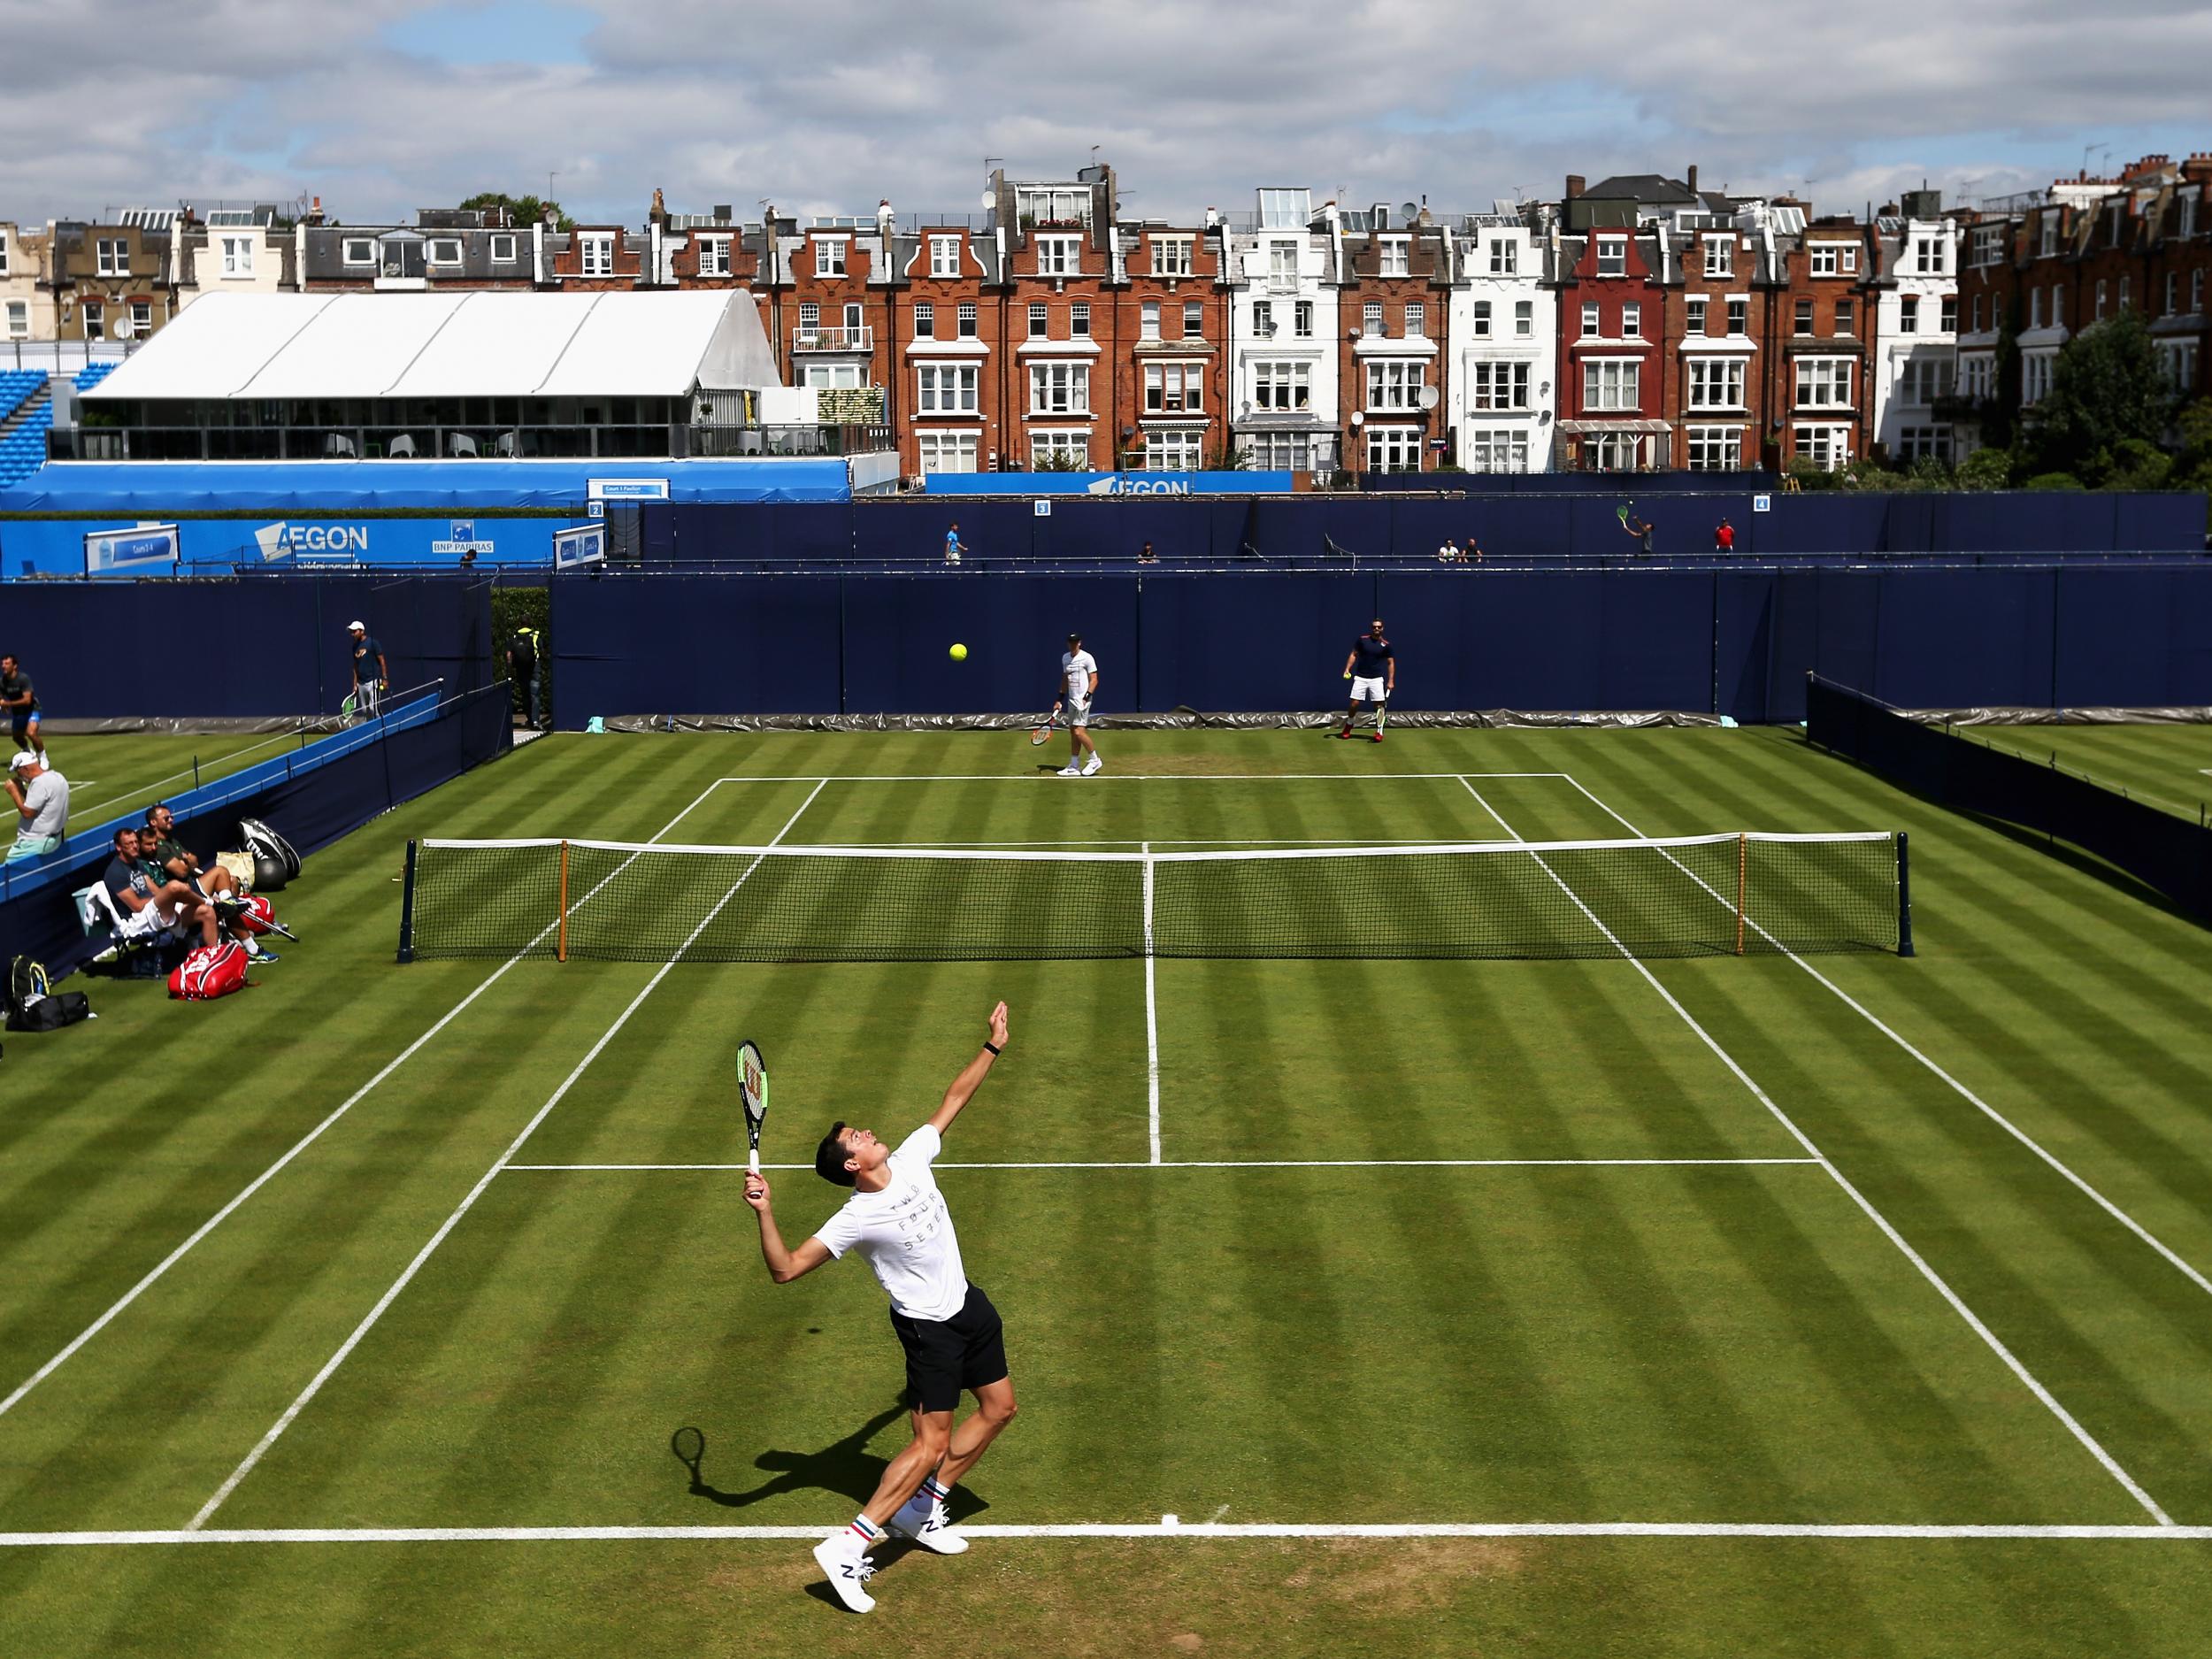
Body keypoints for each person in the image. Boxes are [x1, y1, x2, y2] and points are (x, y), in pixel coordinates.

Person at [743, 1001, 1019, 1615]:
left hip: (969, 1306)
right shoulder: (855, 1217)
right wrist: (765, 1211)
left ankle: (923, 1506)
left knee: (1000, 1407)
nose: (866, 1131)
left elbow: (953, 1098)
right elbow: (785, 1268)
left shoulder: (914, 1156)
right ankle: (847, 1548)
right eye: (856, 1138)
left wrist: (992, 1045)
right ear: (851, 1164)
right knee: (926, 1444)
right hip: (928, 1331)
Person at [103, 826, 220, 949]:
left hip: (157, 909)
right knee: (174, 887)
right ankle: (209, 902)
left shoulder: (136, 863)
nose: (135, 846)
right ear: (119, 847)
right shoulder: (115, 872)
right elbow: (136, 906)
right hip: (140, 919)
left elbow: (155, 890)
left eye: (136, 842)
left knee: (207, 912)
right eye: (129, 843)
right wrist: (167, 897)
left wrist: (166, 898)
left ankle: (213, 955)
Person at [4, 750, 66, 864]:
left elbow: (28, 813)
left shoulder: (39, 783)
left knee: (8, 873)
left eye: (19, 772)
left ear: (25, 769)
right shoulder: (57, 777)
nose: (19, 776)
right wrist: (22, 790)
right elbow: (39, 802)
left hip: (35, 843)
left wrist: (14, 792)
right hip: (54, 839)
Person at [1339, 618, 1394, 741]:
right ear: (1371, 628)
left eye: (1379, 627)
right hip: (1360, 677)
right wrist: (1347, 668)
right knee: (1354, 704)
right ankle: (1349, 723)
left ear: (1382, 629)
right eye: (1374, 627)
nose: (1376, 629)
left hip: (1376, 679)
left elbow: (1390, 663)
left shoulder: (1386, 645)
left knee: (1379, 706)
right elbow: (1353, 654)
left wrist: (1391, 680)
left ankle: (1379, 731)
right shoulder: (1362, 640)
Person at [1055, 632, 1102, 777]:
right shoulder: (1065, 658)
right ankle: (1074, 766)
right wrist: (1059, 699)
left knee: (1078, 732)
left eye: (1075, 642)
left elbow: (1094, 679)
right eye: (1070, 642)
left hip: (1083, 701)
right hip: (1071, 700)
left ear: (1079, 643)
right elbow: (1064, 680)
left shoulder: (1087, 658)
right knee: (1073, 733)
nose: (1072, 644)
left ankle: (1095, 760)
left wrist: (1086, 697)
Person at [0, 654, 44, 763]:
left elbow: (27, 700)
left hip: (32, 710)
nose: (3, 666)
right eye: (2, 664)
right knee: (17, 738)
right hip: (18, 713)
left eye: (7, 663)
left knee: (31, 733)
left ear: (15, 666)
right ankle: (28, 751)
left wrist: (7, 704)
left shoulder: (23, 678)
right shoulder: (2, 681)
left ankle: (42, 757)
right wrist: (1, 703)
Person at [347, 621, 388, 718]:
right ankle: (371, 732)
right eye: (351, 632)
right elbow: (356, 666)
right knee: (365, 711)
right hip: (361, 683)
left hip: (373, 681)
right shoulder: (354, 647)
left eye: (354, 631)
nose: (352, 634)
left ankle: (384, 728)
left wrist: (384, 678)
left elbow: (382, 660)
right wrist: (355, 684)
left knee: (374, 708)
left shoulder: (373, 643)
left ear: (361, 631)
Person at [506, 627, 542, 730]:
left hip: (521, 670)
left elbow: (508, 656)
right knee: (535, 695)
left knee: (525, 696)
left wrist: (510, 672)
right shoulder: (535, 636)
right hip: (534, 668)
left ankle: (530, 721)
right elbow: (542, 650)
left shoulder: (514, 637)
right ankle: (536, 721)